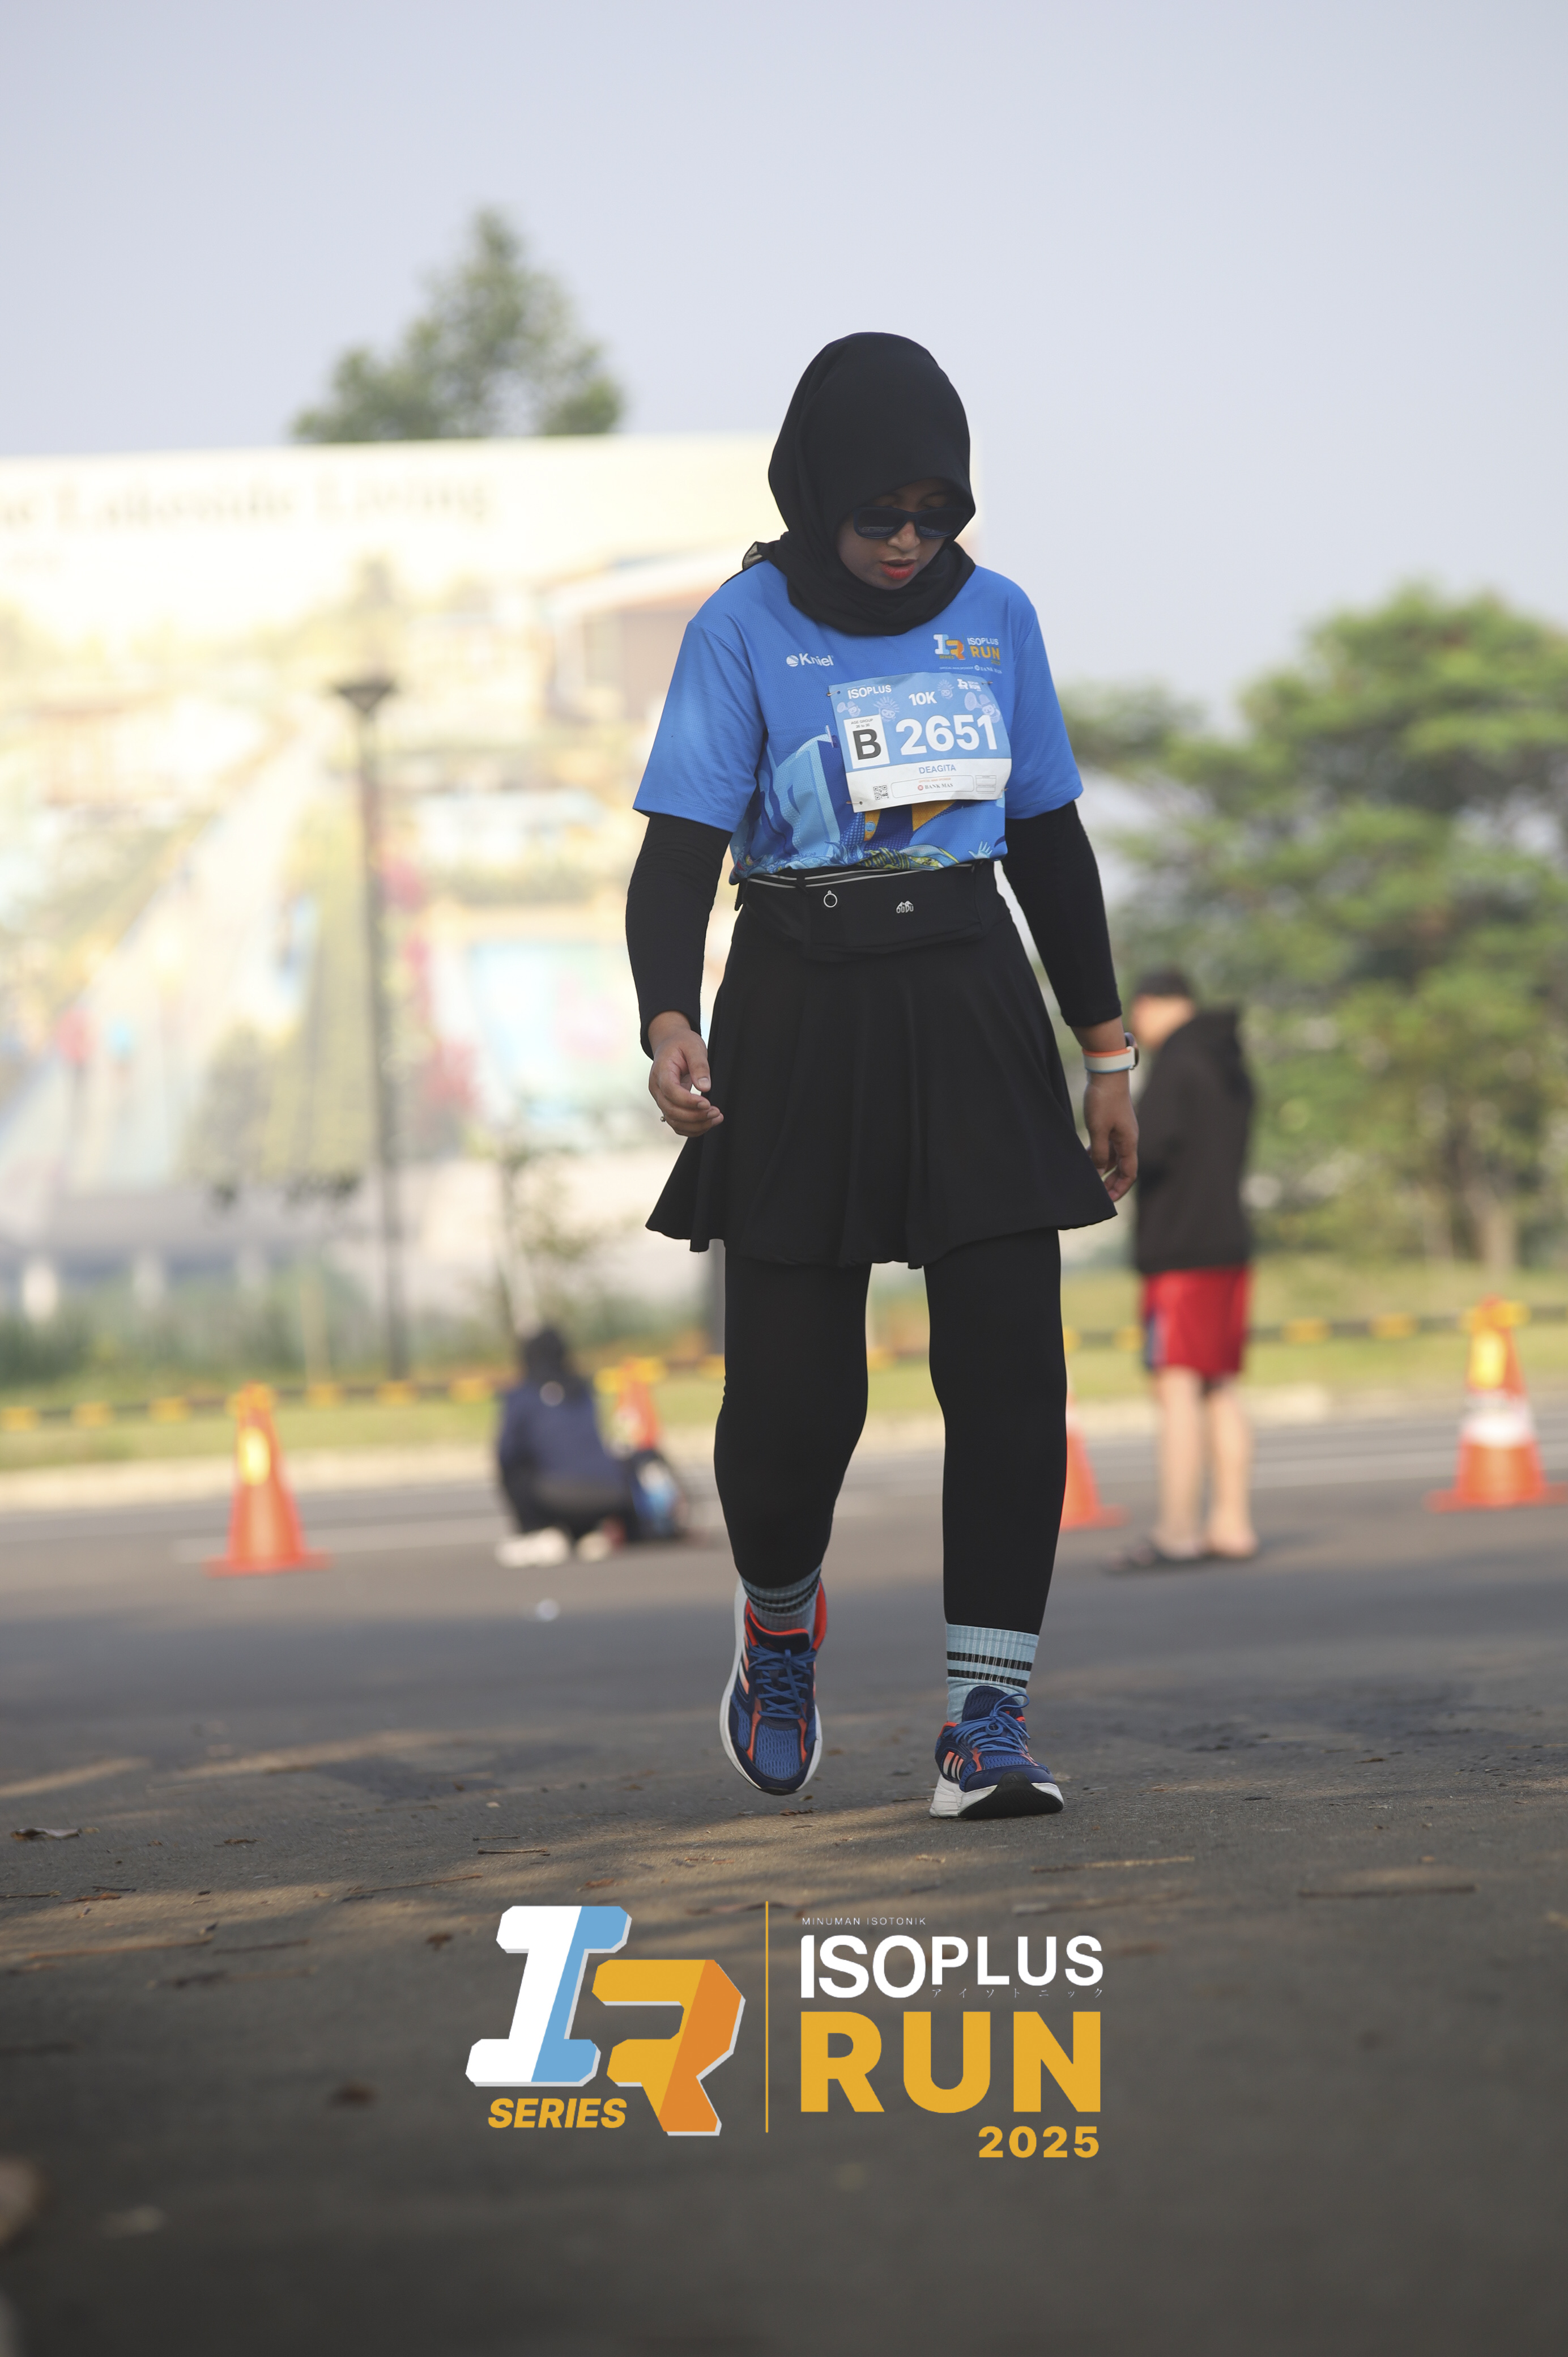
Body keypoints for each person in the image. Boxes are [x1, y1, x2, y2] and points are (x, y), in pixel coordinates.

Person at [623, 333, 1137, 1818]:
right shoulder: (743, 626)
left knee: (1011, 1372)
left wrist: (1108, 1054)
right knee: (797, 1408)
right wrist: (668, 1017)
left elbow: (1049, 841)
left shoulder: (998, 618)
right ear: (813, 494)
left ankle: (987, 1723)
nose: (908, 543)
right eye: (878, 516)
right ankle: (780, 1624)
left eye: (934, 514)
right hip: (797, 1008)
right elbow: (679, 850)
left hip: (972, 1001)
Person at [1115, 969, 1257, 1567]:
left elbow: (1145, 1145)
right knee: (1217, 1384)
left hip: (1180, 1252)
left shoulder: (1177, 1061)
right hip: (1228, 1244)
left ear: (1150, 1005)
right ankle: (1232, 1522)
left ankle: (1176, 1531)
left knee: (1174, 1384)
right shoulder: (1229, 1060)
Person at [496, 1328, 653, 1568]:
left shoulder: (522, 1395)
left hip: (557, 1496)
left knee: (516, 1468)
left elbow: (506, 1453)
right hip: (611, 1495)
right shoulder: (584, 1389)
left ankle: (537, 1532)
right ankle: (587, 1533)